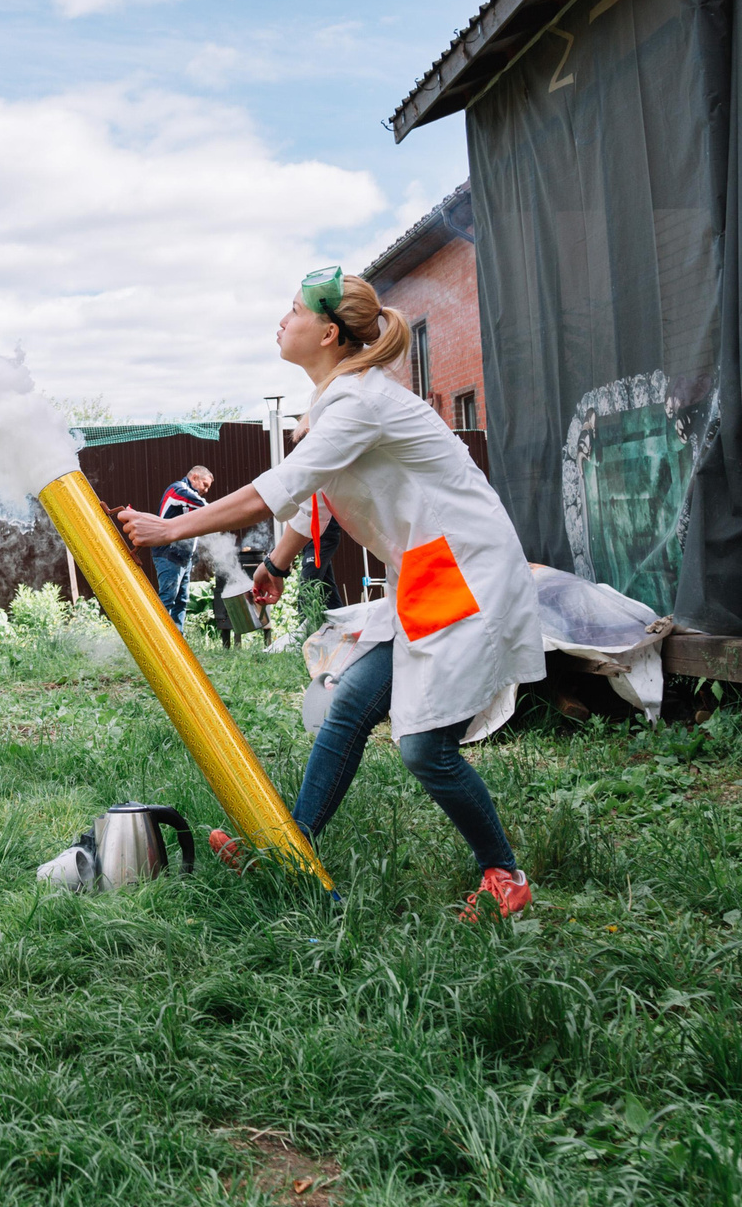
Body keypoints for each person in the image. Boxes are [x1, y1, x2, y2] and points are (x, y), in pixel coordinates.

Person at [115, 268, 542, 921]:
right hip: (431, 576)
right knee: (348, 710)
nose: (281, 321)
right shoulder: (343, 400)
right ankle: (289, 852)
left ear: (330, 332)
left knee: (425, 746)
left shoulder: (357, 403)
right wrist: (279, 565)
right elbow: (316, 491)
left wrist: (171, 525)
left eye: (292, 311)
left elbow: (272, 488)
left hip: (467, 575)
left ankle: (504, 876)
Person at [152, 464, 213, 617]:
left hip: (183, 557)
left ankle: (177, 639)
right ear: (194, 477)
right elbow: (202, 505)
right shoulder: (178, 490)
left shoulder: (190, 498)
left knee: (181, 601)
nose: (206, 491)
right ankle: (157, 638)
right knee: (168, 598)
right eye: (205, 485)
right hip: (168, 553)